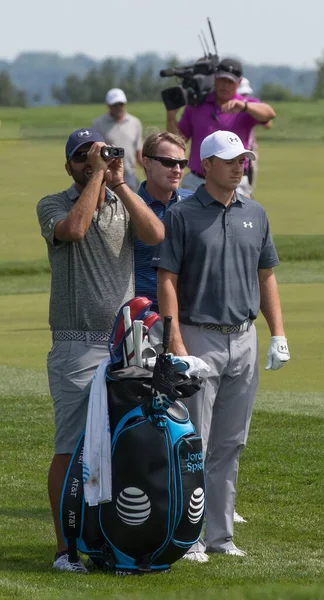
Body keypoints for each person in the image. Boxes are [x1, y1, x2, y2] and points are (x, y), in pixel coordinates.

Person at [152, 130, 290, 562]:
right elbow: (166, 280)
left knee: (232, 443)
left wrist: (279, 334)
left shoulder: (256, 213)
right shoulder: (183, 215)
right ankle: (186, 536)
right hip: (198, 337)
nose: (239, 166)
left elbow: (266, 275)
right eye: (230, 160)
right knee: (194, 443)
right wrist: (175, 343)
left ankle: (220, 536)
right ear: (205, 164)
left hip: (244, 338)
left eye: (243, 159)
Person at [36, 127, 164, 573]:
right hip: (76, 344)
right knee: (71, 448)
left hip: (125, 342)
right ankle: (64, 550)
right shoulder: (53, 203)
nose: (90, 164)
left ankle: (110, 539)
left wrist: (121, 181)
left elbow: (155, 234)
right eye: (81, 159)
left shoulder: (120, 200)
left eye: (98, 156)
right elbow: (74, 229)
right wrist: (95, 176)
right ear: (69, 164)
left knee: (123, 445)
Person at [166, 58, 276, 197]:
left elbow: (270, 114)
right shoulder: (197, 105)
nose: (225, 85)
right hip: (197, 180)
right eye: (222, 80)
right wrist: (171, 116)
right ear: (215, 78)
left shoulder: (244, 104)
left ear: (239, 83)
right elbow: (178, 141)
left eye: (230, 82)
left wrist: (244, 107)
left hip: (234, 181)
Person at [134, 130, 192, 311]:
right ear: (147, 162)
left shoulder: (195, 203)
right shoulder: (130, 207)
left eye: (182, 164)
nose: (177, 170)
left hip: (189, 315)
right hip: (144, 315)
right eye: (169, 162)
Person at [92, 88, 144, 191]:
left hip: (129, 174)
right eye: (115, 105)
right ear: (108, 105)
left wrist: (149, 170)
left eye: (120, 104)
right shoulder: (98, 124)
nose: (118, 108)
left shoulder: (135, 123)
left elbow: (138, 152)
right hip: (107, 173)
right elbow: (94, 152)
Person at [237, 77, 273, 194]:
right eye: (242, 94)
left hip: (249, 151)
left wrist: (249, 109)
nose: (244, 97)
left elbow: (268, 123)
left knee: (248, 185)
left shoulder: (249, 107)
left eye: (246, 94)